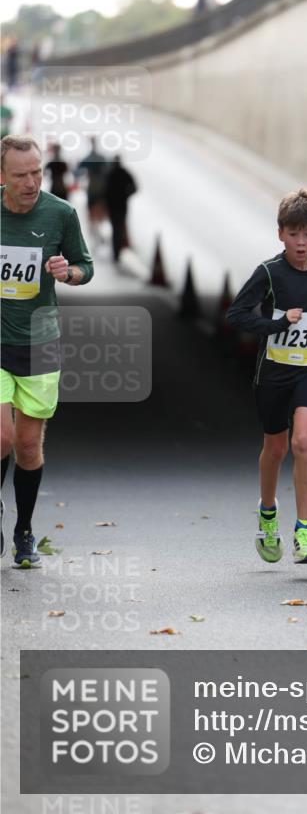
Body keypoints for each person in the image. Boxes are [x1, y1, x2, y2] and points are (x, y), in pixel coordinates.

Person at [226, 189, 307, 564]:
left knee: (304, 442)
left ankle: (304, 531)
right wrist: (277, 323)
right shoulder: (269, 272)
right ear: (281, 234)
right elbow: (236, 315)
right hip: (273, 372)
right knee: (275, 448)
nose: (301, 242)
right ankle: (267, 513)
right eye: (294, 234)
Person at [1, 135, 94, 566]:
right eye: (21, 174)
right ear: (3, 176)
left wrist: (68, 272)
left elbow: (85, 266)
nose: (32, 181)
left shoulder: (60, 214)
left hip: (39, 343)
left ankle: (24, 530)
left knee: (27, 445)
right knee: (1, 435)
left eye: (37, 171)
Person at [75, 136, 109, 244]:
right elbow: (108, 171)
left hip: (93, 189)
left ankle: (96, 234)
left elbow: (77, 172)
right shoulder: (101, 158)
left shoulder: (88, 158)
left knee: (92, 214)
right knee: (101, 214)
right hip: (101, 189)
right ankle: (100, 234)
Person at [104, 157, 137, 263]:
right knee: (119, 226)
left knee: (116, 228)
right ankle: (117, 251)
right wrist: (126, 195)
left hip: (114, 205)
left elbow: (104, 190)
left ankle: (116, 251)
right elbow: (134, 187)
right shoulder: (122, 173)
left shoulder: (111, 173)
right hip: (120, 205)